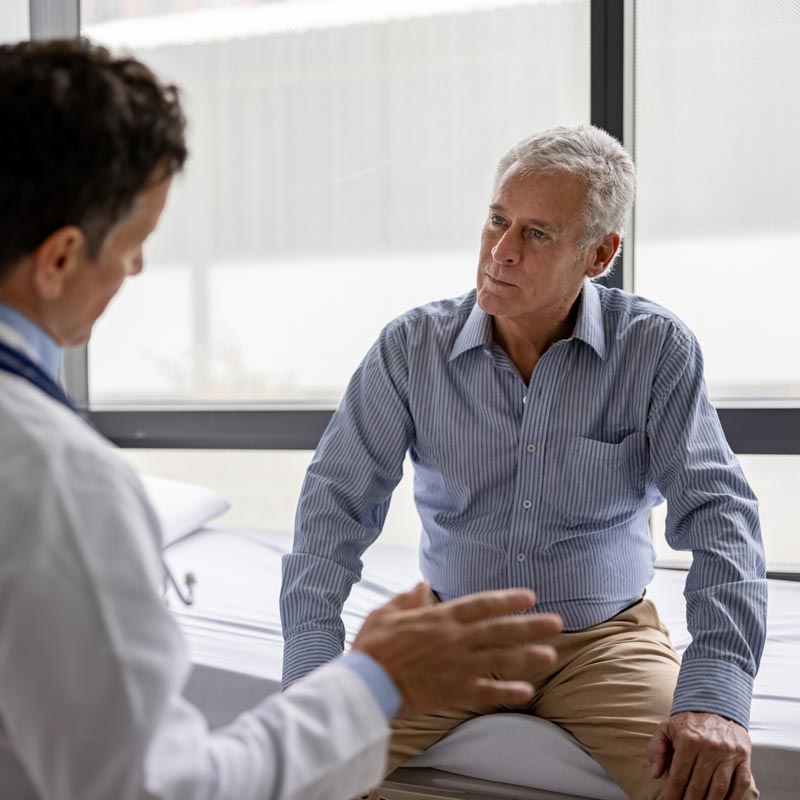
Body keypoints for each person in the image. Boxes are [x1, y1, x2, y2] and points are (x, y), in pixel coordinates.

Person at [0, 39, 565, 800]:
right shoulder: (60, 483)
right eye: (136, 245)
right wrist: (371, 682)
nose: (135, 270)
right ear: (60, 259)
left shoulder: (655, 350)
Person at [280, 124, 767, 800]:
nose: (500, 252)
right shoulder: (409, 348)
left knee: (709, 786)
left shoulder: (655, 350)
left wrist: (716, 691)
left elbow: (720, 517)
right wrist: (312, 672)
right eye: (497, 220)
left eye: (537, 234)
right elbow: (332, 508)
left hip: (606, 642)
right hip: (451, 635)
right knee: (296, 769)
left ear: (599, 253)